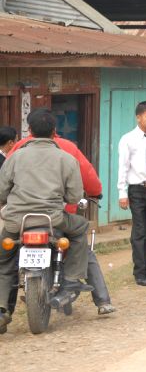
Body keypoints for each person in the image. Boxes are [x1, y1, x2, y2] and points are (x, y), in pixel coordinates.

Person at [0, 109, 91, 333]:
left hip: (17, 222)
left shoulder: (14, 157)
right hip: (53, 220)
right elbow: (74, 197)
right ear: (54, 131)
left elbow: (2, 192)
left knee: (4, 262)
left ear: (29, 131)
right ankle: (71, 279)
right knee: (81, 228)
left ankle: (2, 309)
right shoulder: (66, 159)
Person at [117, 101, 146, 286]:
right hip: (136, 190)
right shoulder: (128, 139)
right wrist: (122, 192)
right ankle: (139, 271)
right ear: (138, 117)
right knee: (140, 230)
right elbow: (123, 167)